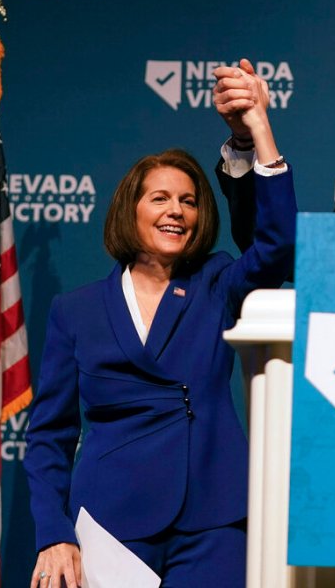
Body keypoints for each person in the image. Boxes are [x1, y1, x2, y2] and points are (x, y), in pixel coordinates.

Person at [24, 59, 295, 588]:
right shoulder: (75, 311)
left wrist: (258, 128)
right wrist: (54, 534)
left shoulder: (215, 281)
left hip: (213, 520)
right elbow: (49, 437)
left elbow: (277, 248)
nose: (177, 211)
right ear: (132, 209)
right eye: (161, 198)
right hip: (111, 523)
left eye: (190, 201)